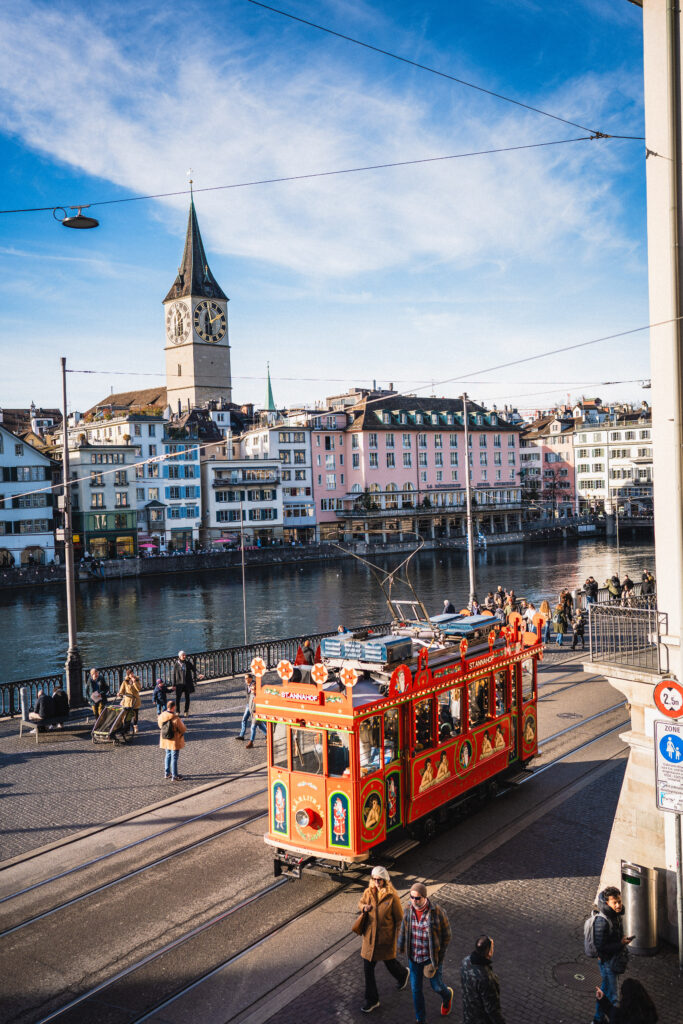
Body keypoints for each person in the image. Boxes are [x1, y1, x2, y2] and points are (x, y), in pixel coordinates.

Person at [397, 881, 453, 1022]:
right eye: (412, 897)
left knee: (436, 986)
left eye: (417, 898)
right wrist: (401, 945)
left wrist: (439, 957)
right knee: (416, 990)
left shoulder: (437, 912)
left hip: (431, 958)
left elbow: (447, 936)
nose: (414, 901)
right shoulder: (408, 909)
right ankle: (420, 1019)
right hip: (414, 957)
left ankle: (447, 996)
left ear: (424, 897)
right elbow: (404, 927)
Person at [356, 865, 408, 1013]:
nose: (377, 882)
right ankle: (372, 1000)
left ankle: (403, 974)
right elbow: (360, 903)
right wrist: (363, 907)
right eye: (374, 879)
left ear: (385, 881)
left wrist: (399, 939)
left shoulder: (392, 897)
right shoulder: (368, 892)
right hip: (369, 940)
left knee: (390, 963)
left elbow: (399, 920)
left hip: (385, 940)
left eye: (380, 880)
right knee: (368, 969)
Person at [591, 887, 633, 1024]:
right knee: (613, 996)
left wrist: (621, 941)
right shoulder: (602, 921)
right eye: (614, 902)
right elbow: (601, 946)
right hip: (608, 962)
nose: (618, 905)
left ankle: (598, 1019)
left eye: (619, 901)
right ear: (607, 903)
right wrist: (621, 943)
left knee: (605, 991)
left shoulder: (615, 915)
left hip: (612, 959)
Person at [460, 934, 506, 1024]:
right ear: (489, 952)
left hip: (468, 1015)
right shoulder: (486, 978)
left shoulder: (465, 962)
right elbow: (492, 1010)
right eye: (492, 947)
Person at [157, 699, 186, 781]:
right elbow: (183, 729)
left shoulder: (162, 716)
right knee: (174, 758)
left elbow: (160, 726)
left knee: (168, 755)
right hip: (174, 741)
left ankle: (167, 773)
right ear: (173, 707)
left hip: (165, 739)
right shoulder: (175, 718)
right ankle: (175, 775)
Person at [117, 669, 141, 733]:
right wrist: (119, 693)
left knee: (135, 714)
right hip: (128, 701)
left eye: (132, 673)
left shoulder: (137, 680)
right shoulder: (125, 681)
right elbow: (121, 690)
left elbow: (139, 689)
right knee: (128, 715)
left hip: (135, 700)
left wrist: (134, 682)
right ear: (128, 675)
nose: (132, 675)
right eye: (130, 674)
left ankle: (135, 726)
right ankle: (126, 728)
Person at [172, 650, 196, 716]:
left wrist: (199, 674)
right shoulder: (176, 664)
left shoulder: (188, 663)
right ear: (179, 656)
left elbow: (194, 669)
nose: (185, 656)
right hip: (179, 684)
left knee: (187, 698)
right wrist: (173, 685)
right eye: (183, 655)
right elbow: (174, 675)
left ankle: (186, 711)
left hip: (187, 683)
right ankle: (177, 711)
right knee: (178, 698)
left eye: (185, 655)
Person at [245, 681, 267, 749]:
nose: (251, 690)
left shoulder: (259, 696)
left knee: (253, 727)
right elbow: (250, 703)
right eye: (251, 688)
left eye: (253, 689)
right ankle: (268, 735)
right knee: (260, 726)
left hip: (257, 713)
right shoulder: (252, 694)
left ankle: (251, 742)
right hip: (253, 713)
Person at [235, 673, 255, 740]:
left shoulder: (254, 685)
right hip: (248, 704)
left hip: (253, 705)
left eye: (246, 678)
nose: (245, 680)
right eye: (245, 678)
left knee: (258, 723)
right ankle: (242, 735)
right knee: (244, 719)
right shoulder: (246, 684)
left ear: (250, 678)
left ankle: (267, 734)